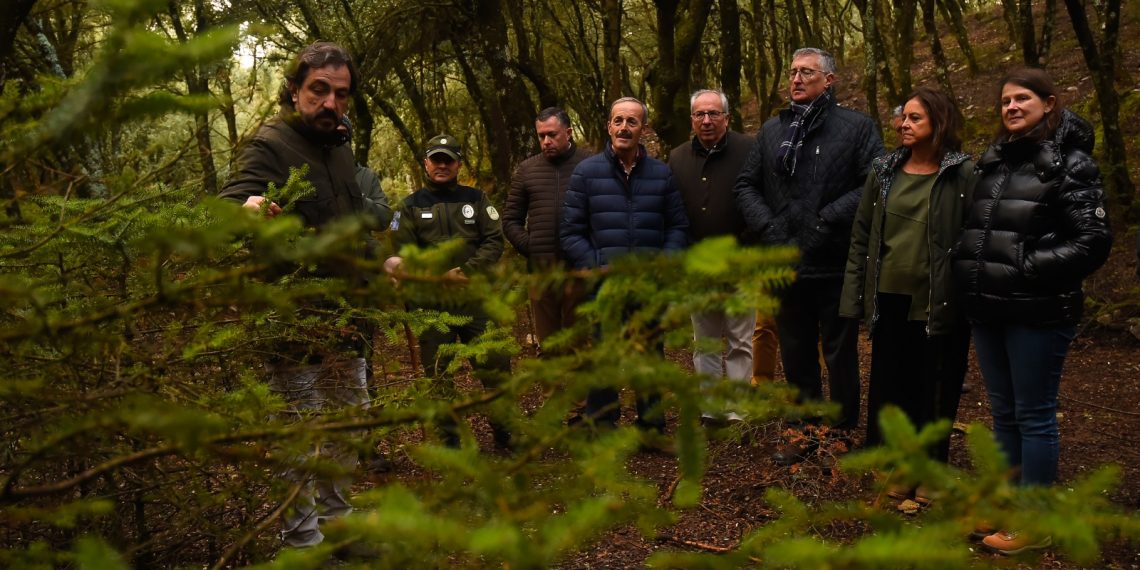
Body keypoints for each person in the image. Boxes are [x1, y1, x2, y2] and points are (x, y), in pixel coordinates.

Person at [219, 41, 378, 551]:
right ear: (294, 90)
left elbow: (348, 221)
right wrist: (243, 210)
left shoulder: (340, 145)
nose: (330, 103)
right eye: (319, 91)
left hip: (348, 315)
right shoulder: (269, 145)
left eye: (341, 93)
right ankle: (304, 544)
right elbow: (222, 209)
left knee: (348, 427)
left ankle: (338, 526)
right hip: (292, 322)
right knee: (299, 437)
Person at [952, 68, 1112, 555]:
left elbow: (1092, 241)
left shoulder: (1070, 164)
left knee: (1034, 415)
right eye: (1005, 101)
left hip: (1038, 312)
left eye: (1023, 98)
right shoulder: (995, 162)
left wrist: (1025, 266)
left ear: (1049, 103)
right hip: (989, 308)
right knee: (1003, 414)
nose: (1012, 107)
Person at [733, 47, 884, 464]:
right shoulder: (771, 130)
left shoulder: (856, 127)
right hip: (784, 260)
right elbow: (746, 186)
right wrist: (769, 227)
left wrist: (827, 220)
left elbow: (875, 182)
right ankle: (804, 428)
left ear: (829, 80)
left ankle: (839, 429)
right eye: (793, 72)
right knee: (795, 350)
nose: (796, 79)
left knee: (838, 350)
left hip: (833, 258)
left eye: (807, 72)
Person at [840, 87, 974, 495]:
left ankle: (932, 470)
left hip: (938, 298)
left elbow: (973, 237)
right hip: (888, 297)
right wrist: (854, 297)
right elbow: (861, 236)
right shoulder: (883, 171)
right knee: (891, 383)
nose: (903, 125)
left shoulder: (963, 173)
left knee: (934, 384)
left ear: (939, 121)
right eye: (903, 118)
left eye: (915, 118)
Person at [560, 96, 689, 434]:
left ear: (642, 129)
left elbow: (678, 226)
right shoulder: (586, 173)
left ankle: (651, 425)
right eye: (618, 121)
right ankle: (603, 424)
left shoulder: (661, 174)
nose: (624, 128)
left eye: (632, 122)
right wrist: (596, 264)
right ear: (608, 127)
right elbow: (570, 232)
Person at [384, 134, 512, 449]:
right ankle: (450, 442)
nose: (442, 165)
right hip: (431, 305)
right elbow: (402, 254)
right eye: (435, 159)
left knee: (494, 365)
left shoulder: (477, 198)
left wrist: (465, 271)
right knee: (438, 375)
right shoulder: (409, 206)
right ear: (425, 163)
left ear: (458, 163)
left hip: (476, 300)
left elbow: (494, 240)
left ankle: (507, 434)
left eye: (448, 159)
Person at [668, 89, 755, 421]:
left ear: (727, 117)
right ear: (691, 119)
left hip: (740, 259)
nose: (706, 120)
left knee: (739, 339)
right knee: (704, 340)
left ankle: (738, 408)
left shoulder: (749, 150)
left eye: (714, 114)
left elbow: (759, 201)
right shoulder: (676, 158)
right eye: (700, 114)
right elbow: (674, 210)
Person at [502, 107, 591, 350]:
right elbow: (510, 219)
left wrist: (590, 253)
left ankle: (580, 387)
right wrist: (532, 248)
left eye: (552, 134)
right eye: (541, 136)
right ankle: (552, 389)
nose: (546, 141)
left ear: (569, 132)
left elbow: (603, 213)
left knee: (579, 343)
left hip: (579, 270)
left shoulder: (590, 164)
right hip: (541, 272)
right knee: (548, 344)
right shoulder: (527, 169)